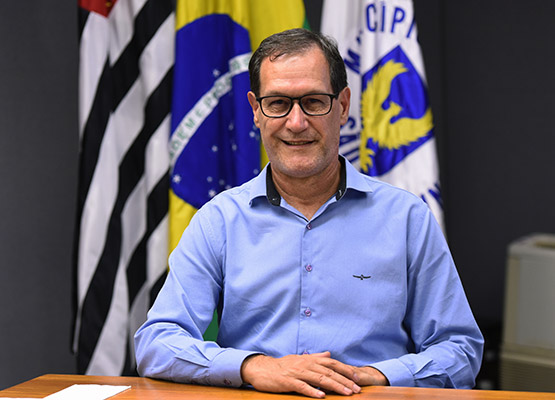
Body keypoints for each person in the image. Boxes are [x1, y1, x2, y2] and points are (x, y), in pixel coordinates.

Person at [134, 28, 483, 398]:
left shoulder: (407, 218)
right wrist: (254, 367)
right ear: (256, 110)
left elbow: (460, 350)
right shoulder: (219, 220)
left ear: (344, 105)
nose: (296, 122)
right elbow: (157, 342)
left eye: (314, 102)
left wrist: (375, 376)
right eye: (278, 103)